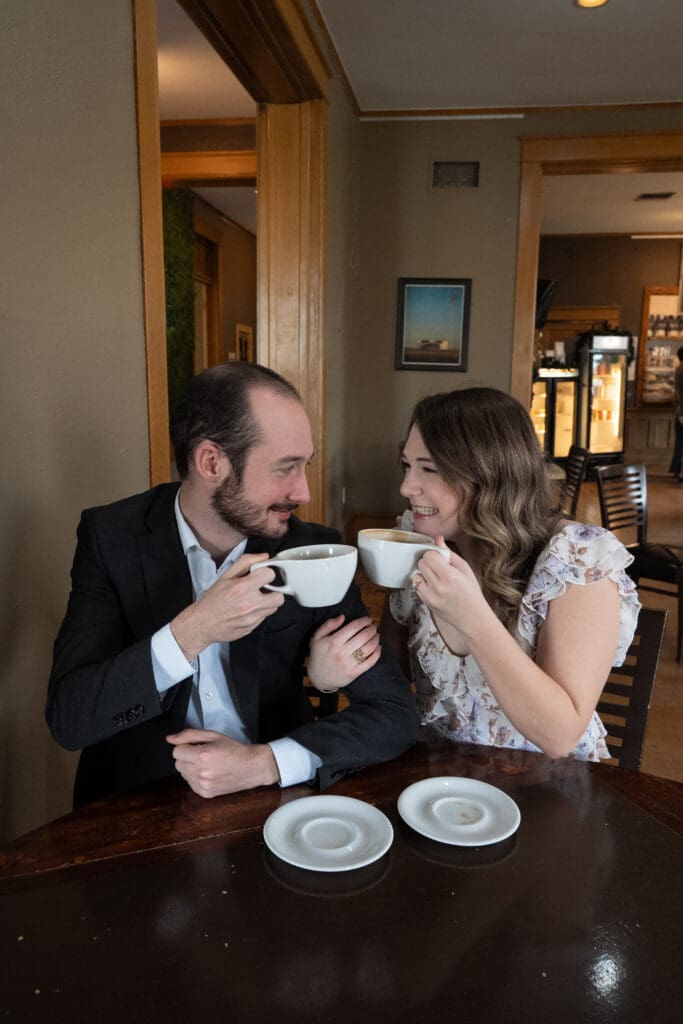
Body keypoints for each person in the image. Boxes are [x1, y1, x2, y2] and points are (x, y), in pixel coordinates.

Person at [47, 363, 418, 807]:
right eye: (286, 468)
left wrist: (267, 762)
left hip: (271, 797)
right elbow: (70, 718)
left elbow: (394, 714)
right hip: (139, 802)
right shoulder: (111, 538)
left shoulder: (315, 550)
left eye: (306, 466)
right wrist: (191, 632)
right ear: (211, 462)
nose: (303, 492)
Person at [372, 386, 640, 762]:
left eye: (429, 469)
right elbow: (390, 677)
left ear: (490, 476)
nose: (406, 486)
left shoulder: (578, 560)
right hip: (435, 782)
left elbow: (560, 735)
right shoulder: (416, 543)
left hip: (546, 789)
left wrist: (471, 617)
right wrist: (335, 672)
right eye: (407, 465)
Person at [668, 345, 683, 483]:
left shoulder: (678, 369)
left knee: (679, 442)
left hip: (679, 411)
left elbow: (677, 394)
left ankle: (677, 471)